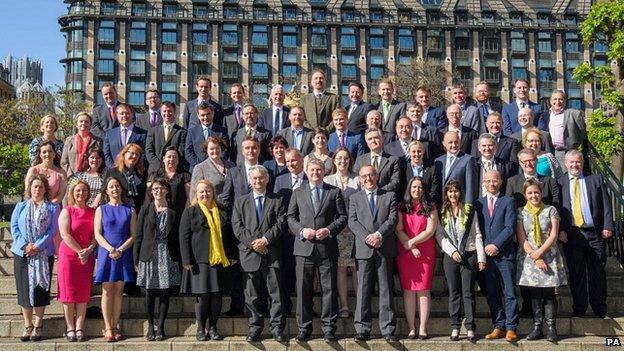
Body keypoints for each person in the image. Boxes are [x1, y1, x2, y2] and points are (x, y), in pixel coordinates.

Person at [287, 159, 347, 342]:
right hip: (304, 248)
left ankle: (329, 327)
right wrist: (302, 231)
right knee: (303, 290)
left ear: (324, 171)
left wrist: (329, 230)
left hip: (326, 248)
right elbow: (290, 218)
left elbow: (343, 217)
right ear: (306, 171)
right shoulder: (297, 192)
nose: (315, 173)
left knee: (329, 289)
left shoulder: (334, 191)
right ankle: (304, 328)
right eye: (312, 170)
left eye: (319, 170)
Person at [231, 166, 287, 342]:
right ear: (250, 180)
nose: (257, 181)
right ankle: (254, 327)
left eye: (261, 178)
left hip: (272, 252)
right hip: (249, 253)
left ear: (267, 179)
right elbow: (237, 226)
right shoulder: (240, 201)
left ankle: (277, 328)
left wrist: (265, 240)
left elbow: (281, 223)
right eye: (254, 178)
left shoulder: (277, 200)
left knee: (275, 293)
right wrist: (254, 244)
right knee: (251, 294)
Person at [558, 150, 614, 319]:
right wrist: (560, 229)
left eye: (578, 162)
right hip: (573, 235)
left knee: (597, 271)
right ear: (566, 164)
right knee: (576, 273)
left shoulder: (594, 179)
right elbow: (557, 208)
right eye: (572, 162)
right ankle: (579, 309)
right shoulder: (559, 183)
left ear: (582, 163)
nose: (575, 165)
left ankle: (600, 309)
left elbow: (606, 203)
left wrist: (608, 226)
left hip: (595, 233)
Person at [348, 165, 398, 341]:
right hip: (364, 249)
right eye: (364, 176)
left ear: (377, 176)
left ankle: (388, 329)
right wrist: (368, 237)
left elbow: (393, 219)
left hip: (384, 247)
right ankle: (362, 328)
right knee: (363, 290)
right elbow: (352, 221)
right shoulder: (354, 198)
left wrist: (378, 235)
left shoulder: (389, 195)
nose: (368, 179)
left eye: (371, 175)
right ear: (360, 179)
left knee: (385, 289)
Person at [180, 180, 232, 341]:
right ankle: (201, 328)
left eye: (208, 191)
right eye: (201, 191)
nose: (205, 194)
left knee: (217, 295)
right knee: (202, 296)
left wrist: (232, 256)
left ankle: (214, 327)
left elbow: (229, 236)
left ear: (213, 192)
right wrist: (186, 260)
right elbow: (184, 236)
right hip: (198, 260)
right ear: (196, 194)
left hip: (219, 260)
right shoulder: (191, 211)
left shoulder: (222, 210)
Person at [516, 179, 567, 343]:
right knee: (535, 294)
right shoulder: (521, 212)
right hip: (529, 257)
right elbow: (521, 237)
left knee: (549, 293)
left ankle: (551, 328)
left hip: (549, 255)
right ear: (525, 195)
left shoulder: (551, 210)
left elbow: (553, 235)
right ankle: (537, 327)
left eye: (536, 192)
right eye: (530, 193)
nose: (533, 195)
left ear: (541, 193)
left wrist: (540, 253)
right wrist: (534, 255)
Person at [10, 175, 60, 342]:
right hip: (22, 253)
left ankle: (38, 325)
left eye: (40, 186)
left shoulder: (53, 208)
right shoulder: (20, 206)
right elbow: (15, 228)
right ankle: (27, 325)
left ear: (45, 189)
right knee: (24, 290)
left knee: (40, 289)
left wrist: (37, 246)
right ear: (29, 188)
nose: (37, 189)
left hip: (43, 253)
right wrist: (26, 246)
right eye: (34, 186)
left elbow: (52, 230)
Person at [436, 180, 485, 342]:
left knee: (468, 292)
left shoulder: (469, 210)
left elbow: (477, 234)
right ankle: (455, 326)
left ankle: (470, 327)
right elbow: (439, 235)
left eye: (456, 191)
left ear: (460, 193)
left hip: (469, 254)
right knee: (454, 292)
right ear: (446, 194)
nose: (453, 194)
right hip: (451, 256)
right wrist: (452, 251)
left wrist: (481, 257)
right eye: (450, 191)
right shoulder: (442, 211)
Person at [134, 178, 181, 341]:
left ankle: (160, 327)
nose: (158, 191)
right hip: (148, 254)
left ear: (166, 191)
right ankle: (150, 325)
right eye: (155, 189)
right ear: (152, 192)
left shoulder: (174, 211)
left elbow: (177, 236)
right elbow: (138, 235)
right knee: (148, 292)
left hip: (167, 254)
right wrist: (136, 259)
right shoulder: (145, 209)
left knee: (164, 292)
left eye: (161, 188)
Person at [475, 170, 518, 342]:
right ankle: (498, 325)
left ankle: (511, 327)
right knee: (492, 292)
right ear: (483, 183)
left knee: (509, 292)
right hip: (487, 256)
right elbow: (477, 229)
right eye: (488, 181)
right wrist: (485, 248)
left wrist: (496, 245)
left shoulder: (508, 201)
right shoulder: (478, 203)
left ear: (501, 182)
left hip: (504, 254)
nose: (491, 184)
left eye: (495, 180)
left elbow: (510, 227)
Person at [93, 176, 137, 342]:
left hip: (123, 252)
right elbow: (97, 233)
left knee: (119, 291)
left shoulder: (130, 210)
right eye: (111, 186)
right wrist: (110, 248)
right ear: (106, 190)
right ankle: (108, 327)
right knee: (107, 291)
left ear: (121, 189)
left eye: (117, 186)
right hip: (107, 252)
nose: (115, 189)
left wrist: (120, 249)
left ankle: (116, 324)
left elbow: (133, 234)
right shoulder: (101, 209)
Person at [396, 176, 438, 339]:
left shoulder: (431, 206)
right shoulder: (402, 207)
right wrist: (410, 246)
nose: (417, 190)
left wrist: (412, 243)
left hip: (425, 251)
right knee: (408, 290)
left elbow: (430, 230)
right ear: (409, 189)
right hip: (406, 252)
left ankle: (422, 328)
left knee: (423, 290)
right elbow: (399, 229)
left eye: (420, 187)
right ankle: (411, 327)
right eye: (414, 187)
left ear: (424, 189)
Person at [57, 180, 96, 342]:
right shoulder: (67, 211)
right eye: (78, 191)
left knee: (83, 293)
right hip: (69, 256)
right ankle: (70, 327)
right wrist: (81, 251)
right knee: (68, 293)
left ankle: (79, 327)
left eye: (84, 191)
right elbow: (65, 235)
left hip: (87, 256)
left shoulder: (93, 211)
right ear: (72, 192)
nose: (81, 194)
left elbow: (96, 235)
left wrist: (89, 250)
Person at [324, 148, 359, 319]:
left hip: (356, 231)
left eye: (346, 158)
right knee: (341, 269)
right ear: (334, 161)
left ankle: (360, 304)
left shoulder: (358, 179)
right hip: (336, 231)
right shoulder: (327, 180)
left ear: (350, 160)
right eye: (339, 158)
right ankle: (344, 305)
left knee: (356, 268)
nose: (342, 161)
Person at [273, 148, 307, 316]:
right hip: (285, 234)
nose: (291, 164)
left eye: (294, 160)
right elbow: (277, 208)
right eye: (287, 162)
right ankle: (286, 306)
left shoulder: (310, 178)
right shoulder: (280, 180)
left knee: (305, 274)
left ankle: (306, 308)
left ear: (301, 160)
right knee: (286, 271)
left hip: (306, 234)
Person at [538, 90, 587, 168]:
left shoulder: (574, 114)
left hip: (567, 152)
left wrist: (574, 145)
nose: (557, 102)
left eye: (560, 99)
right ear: (550, 101)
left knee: (565, 177)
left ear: (564, 101)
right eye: (555, 99)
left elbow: (582, 134)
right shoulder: (545, 115)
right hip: (549, 152)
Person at [434, 131, 478, 204]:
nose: (454, 145)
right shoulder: (438, 161)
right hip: (442, 205)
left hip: (460, 206)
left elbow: (471, 187)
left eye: (456, 142)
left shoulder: (468, 160)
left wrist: (468, 207)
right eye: (450, 142)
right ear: (444, 143)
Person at [354, 128, 401, 194]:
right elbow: (356, 179)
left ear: (382, 139)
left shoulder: (393, 160)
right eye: (370, 139)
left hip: (385, 198)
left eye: (376, 138)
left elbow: (395, 182)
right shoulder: (360, 160)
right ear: (366, 142)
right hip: (365, 198)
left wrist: (378, 192)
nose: (373, 141)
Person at [145, 101, 187, 174]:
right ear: (161, 113)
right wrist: (160, 166)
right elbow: (149, 151)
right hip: (156, 170)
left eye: (170, 111)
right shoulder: (153, 131)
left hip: (174, 170)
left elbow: (181, 151)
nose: (167, 113)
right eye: (164, 111)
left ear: (174, 113)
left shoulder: (182, 132)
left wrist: (171, 165)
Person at [185, 102, 229, 172]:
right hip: (197, 169)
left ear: (213, 114)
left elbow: (225, 150)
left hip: (218, 169)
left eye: (208, 114)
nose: (205, 117)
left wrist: (216, 163)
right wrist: (202, 165)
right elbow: (188, 152)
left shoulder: (222, 131)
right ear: (198, 116)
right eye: (202, 115)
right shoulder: (192, 132)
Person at [103, 103, 148, 168]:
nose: (124, 115)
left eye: (127, 113)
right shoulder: (110, 134)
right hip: (114, 172)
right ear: (117, 116)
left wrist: (135, 165)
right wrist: (113, 168)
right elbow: (106, 154)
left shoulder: (143, 133)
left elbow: (145, 154)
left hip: (135, 172)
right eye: (121, 114)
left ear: (132, 115)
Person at [104, 143, 147, 210]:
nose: (134, 156)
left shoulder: (142, 173)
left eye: (137, 154)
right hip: (118, 210)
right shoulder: (112, 172)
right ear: (124, 154)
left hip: (138, 211)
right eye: (132, 153)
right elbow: (104, 193)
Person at [148, 147, 191, 213]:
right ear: (163, 159)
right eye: (169, 156)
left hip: (179, 214)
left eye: (174, 157)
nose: (171, 159)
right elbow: (148, 197)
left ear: (178, 160)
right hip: (157, 213)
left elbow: (189, 197)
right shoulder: (154, 176)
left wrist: (186, 214)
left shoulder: (185, 176)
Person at [25, 141, 68, 206]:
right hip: (34, 207)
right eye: (44, 152)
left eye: (50, 151)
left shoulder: (61, 173)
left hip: (53, 208)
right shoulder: (33, 170)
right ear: (40, 155)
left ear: (54, 154)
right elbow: (28, 191)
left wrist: (48, 206)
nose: (47, 154)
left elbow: (61, 194)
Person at [60, 112, 102, 177]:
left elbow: (100, 160)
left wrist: (92, 174)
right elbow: (63, 162)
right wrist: (70, 175)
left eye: (86, 121)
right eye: (81, 121)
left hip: (91, 176)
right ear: (76, 124)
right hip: (72, 177)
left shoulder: (97, 141)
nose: (83, 123)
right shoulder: (69, 140)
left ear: (90, 125)